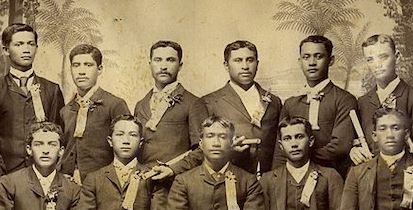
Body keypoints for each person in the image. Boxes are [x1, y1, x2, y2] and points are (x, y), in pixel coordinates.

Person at [160, 40, 281, 179]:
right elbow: (200, 151)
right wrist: (172, 169)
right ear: (226, 65)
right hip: (225, 182)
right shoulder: (207, 103)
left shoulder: (274, 101)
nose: (245, 66)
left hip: (268, 182)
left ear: (257, 64)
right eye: (238, 60)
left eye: (250, 60)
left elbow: (281, 149)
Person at [0, 23, 64, 173]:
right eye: (19, 44)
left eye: (31, 44)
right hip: (5, 173)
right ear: (6, 50)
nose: (26, 49)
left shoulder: (52, 90)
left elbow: (57, 133)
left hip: (43, 172)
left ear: (36, 48)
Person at [279, 35, 357, 177]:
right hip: (295, 176)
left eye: (319, 56)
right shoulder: (291, 103)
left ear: (330, 60)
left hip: (333, 176)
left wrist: (299, 157)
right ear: (300, 61)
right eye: (306, 57)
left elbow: (340, 147)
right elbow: (280, 150)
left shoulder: (344, 99)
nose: (312, 62)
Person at [350, 34, 413, 164]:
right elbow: (357, 139)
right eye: (370, 59)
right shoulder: (362, 102)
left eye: (383, 57)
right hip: (369, 175)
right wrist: (353, 150)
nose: (377, 65)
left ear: (397, 57)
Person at [59, 44, 130, 181]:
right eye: (76, 65)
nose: (81, 71)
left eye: (88, 65)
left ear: (99, 69)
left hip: (103, 183)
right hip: (68, 184)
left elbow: (126, 149)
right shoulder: (66, 110)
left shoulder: (115, 105)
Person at [134, 40, 207, 169]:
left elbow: (202, 149)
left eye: (170, 60)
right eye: (158, 60)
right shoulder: (140, 105)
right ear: (150, 64)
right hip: (142, 181)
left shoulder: (194, 103)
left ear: (180, 65)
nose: (163, 66)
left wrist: (172, 170)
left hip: (175, 183)